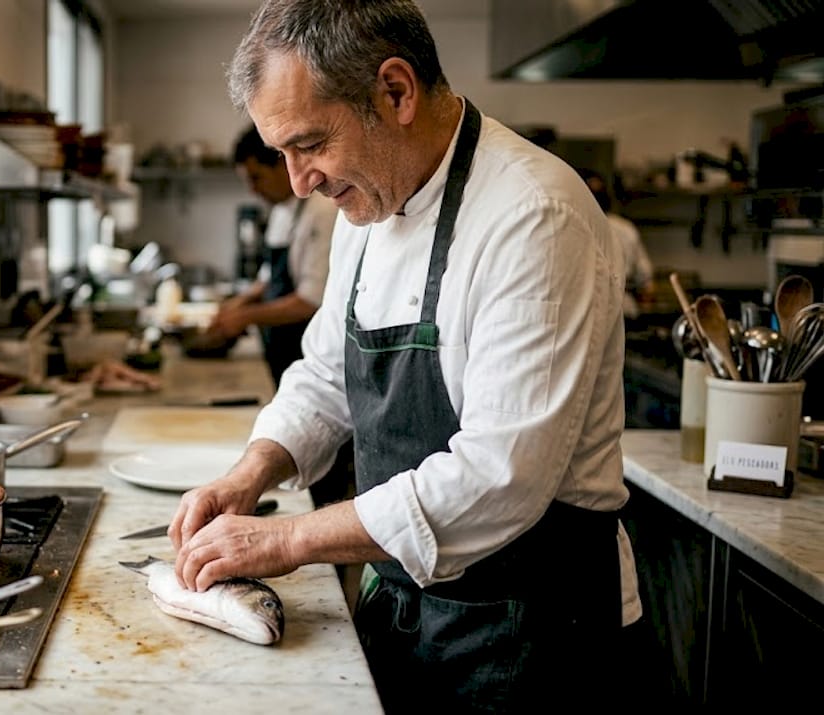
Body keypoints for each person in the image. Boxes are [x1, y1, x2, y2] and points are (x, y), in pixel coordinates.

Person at [168, 1, 642, 710]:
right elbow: (327, 374)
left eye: (310, 144)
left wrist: (289, 538)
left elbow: (498, 476)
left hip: (534, 630)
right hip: (404, 604)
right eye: (283, 154)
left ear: (395, 92)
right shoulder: (368, 207)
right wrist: (254, 468)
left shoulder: (535, 215)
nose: (300, 182)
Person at [208, 125, 337, 387]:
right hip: (278, 346)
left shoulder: (323, 211)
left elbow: (311, 300)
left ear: (282, 166)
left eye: (256, 178)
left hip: (307, 349)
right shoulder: (281, 211)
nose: (252, 191)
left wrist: (246, 316)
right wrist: (236, 305)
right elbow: (268, 277)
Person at [581, 168, 655, 319]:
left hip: (589, 309)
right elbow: (647, 283)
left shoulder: (574, 226)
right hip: (622, 308)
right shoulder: (625, 227)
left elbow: (646, 281)